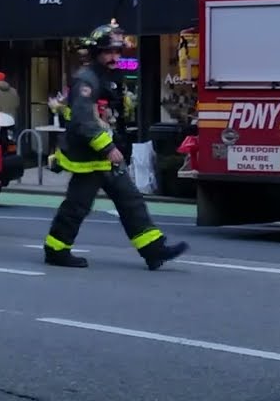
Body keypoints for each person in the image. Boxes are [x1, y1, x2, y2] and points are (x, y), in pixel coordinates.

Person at [42, 22, 190, 271]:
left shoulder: (107, 77)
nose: (115, 57)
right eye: (109, 52)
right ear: (96, 52)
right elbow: (84, 121)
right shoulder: (86, 80)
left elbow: (111, 113)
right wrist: (108, 148)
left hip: (104, 157)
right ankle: (56, 250)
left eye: (118, 52)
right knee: (77, 206)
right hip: (89, 157)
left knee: (131, 201)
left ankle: (153, 250)